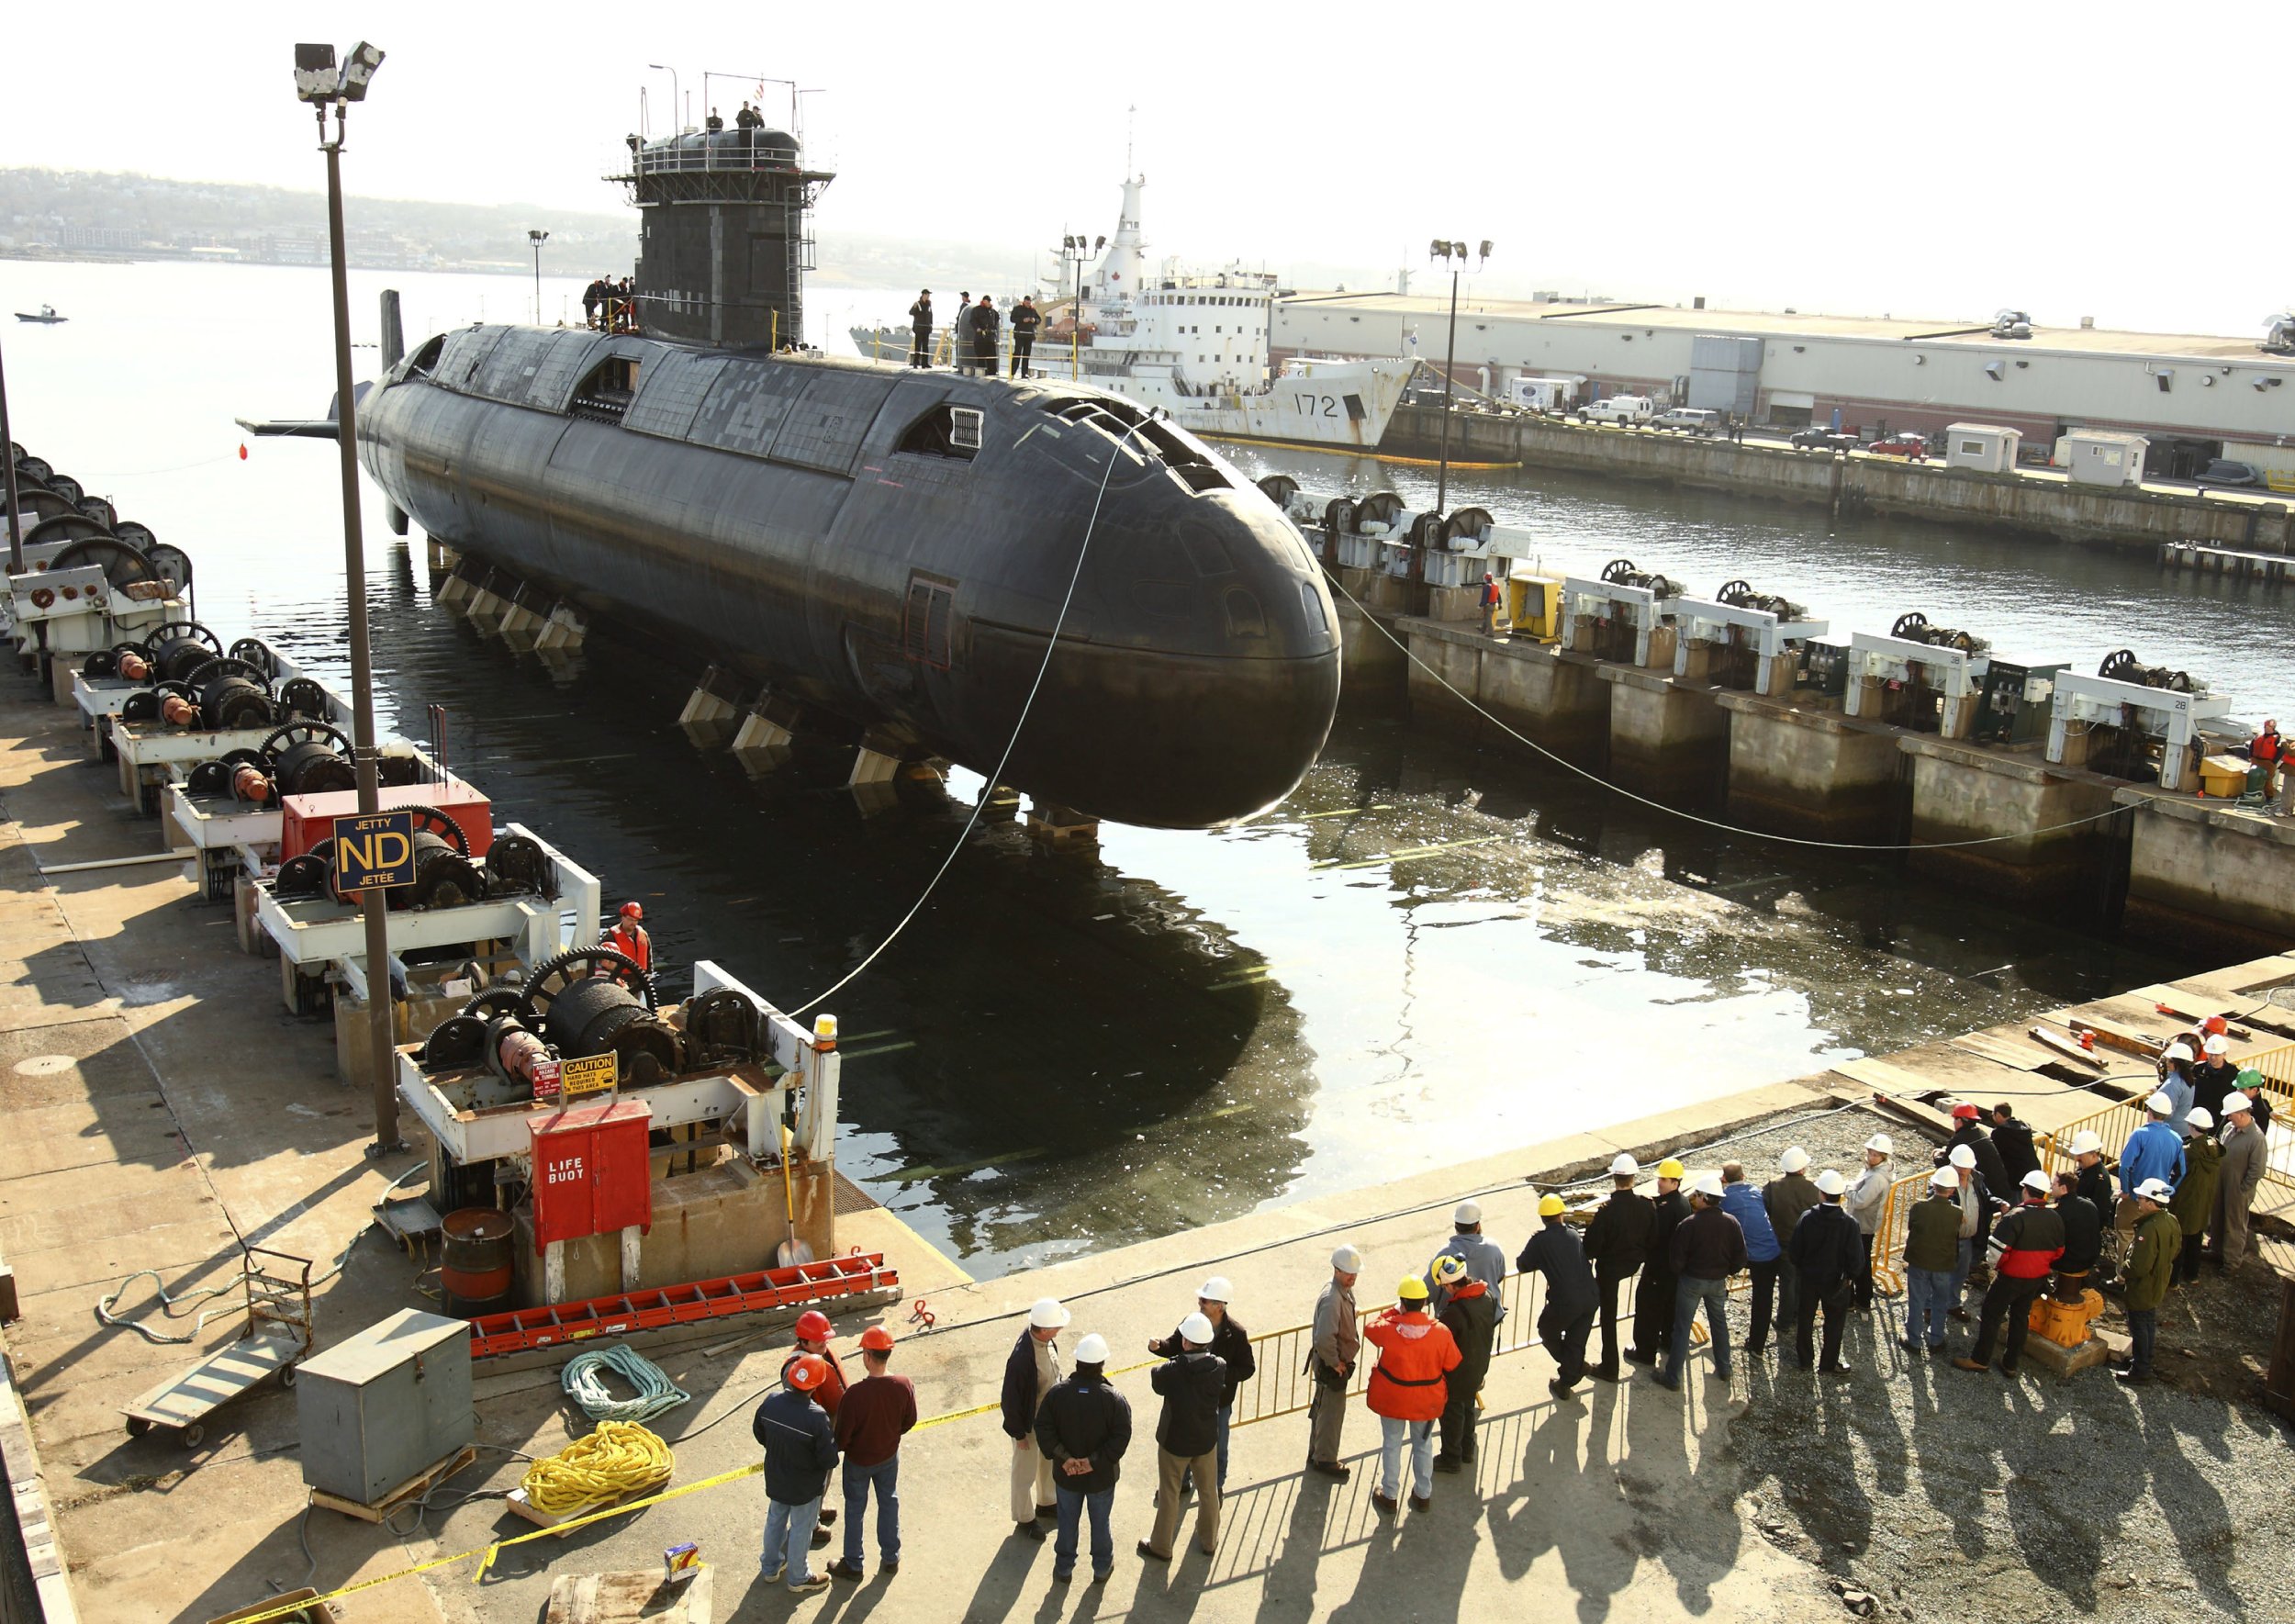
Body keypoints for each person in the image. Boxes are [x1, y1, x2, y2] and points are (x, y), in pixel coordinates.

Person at [1035, 1332, 1130, 1586]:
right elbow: (1121, 1437)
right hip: (1101, 1478)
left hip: (1067, 1478)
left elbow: (1043, 1428)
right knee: (1100, 1523)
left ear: (1077, 1362)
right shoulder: (1113, 1399)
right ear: (1102, 1364)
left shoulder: (1057, 1395)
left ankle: (1064, 1568)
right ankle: (1101, 1568)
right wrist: (1093, 1462)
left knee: (1067, 1522)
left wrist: (1066, 1459)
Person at [1362, 1275, 1460, 1514]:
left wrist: (1393, 1312)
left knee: (1392, 1444)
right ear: (1425, 1302)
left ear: (1403, 1303)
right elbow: (1453, 1363)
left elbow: (1370, 1328)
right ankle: (1423, 1494)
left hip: (1393, 1400)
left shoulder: (1391, 1329)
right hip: (1426, 1403)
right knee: (1423, 1445)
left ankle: (1390, 1493)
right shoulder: (1441, 1332)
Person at [1146, 1277, 1252, 1495]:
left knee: (1219, 1445)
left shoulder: (1236, 1333)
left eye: (1204, 1300)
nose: (1199, 1303)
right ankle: (1183, 1481)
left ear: (1219, 1306)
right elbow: (1174, 1344)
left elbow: (1247, 1368)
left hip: (1219, 1401)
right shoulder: (1192, 1322)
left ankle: (1216, 1485)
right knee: (1183, 1440)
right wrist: (1158, 1347)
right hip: (1188, 1397)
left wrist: (1219, 1377)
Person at [1954, 1170, 2064, 1377]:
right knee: (2020, 1317)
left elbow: (1995, 1252)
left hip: (2011, 1277)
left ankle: (1980, 1359)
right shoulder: (2055, 1218)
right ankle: (2011, 1363)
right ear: (2045, 1195)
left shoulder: (2015, 1217)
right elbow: (2059, 1251)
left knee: (1991, 1314)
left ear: (2025, 1190)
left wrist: (1998, 1267)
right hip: (2036, 1278)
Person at [1138, 1312, 1226, 1565]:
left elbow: (1158, 1381)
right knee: (1208, 1491)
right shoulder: (1219, 1366)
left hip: (1175, 1441)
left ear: (1186, 1342)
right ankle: (1209, 1541)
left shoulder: (1171, 1370)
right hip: (1205, 1440)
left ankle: (1161, 1546)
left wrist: (1174, 1359)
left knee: (1169, 1492)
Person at [828, 1327, 914, 1582]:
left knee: (855, 1509)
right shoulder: (903, 1384)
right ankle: (891, 1557)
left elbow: (842, 1437)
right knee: (889, 1501)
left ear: (867, 1356)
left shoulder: (854, 1395)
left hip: (858, 1461)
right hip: (888, 1457)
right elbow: (910, 1420)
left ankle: (853, 1564)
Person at [754, 1354, 839, 1596]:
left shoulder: (771, 1401)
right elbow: (829, 1459)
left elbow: (759, 1432)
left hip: (777, 1478)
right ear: (816, 1385)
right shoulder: (816, 1416)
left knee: (775, 1520)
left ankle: (770, 1568)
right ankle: (798, 1577)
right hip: (805, 1487)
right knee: (802, 1527)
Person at [1657, 1174, 1745, 1391]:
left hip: (1691, 1282)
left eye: (1697, 1195)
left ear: (1705, 1198)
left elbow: (1676, 1259)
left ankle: (1673, 1377)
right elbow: (1740, 1257)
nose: (1694, 1198)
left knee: (1682, 1328)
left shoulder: (1688, 1225)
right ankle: (1725, 1369)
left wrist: (1683, 1274)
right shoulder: (1731, 1222)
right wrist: (1727, 1271)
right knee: (1719, 1324)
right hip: (1717, 1282)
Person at [1581, 1153, 1657, 1382]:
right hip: (1633, 1263)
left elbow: (1591, 1248)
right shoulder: (1646, 1206)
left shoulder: (1606, 1211)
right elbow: (1653, 1238)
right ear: (1634, 1177)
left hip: (1609, 1270)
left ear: (1613, 1176)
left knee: (1608, 1317)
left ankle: (1610, 1367)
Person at [1517, 1193, 1597, 1398]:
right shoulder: (1572, 1234)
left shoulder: (1540, 1241)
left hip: (1565, 1302)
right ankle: (1569, 1375)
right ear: (1561, 1214)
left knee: (1547, 1330)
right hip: (1590, 1297)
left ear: (1543, 1218)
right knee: (1576, 1341)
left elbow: (1523, 1264)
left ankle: (1573, 1369)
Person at [1002, 1297, 1068, 1540]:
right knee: (1024, 1473)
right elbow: (1010, 1399)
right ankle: (1024, 1517)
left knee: (1047, 1462)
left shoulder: (1045, 1343)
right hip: (1028, 1425)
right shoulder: (1021, 1360)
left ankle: (1047, 1502)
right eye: (1057, 1326)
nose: (1060, 1329)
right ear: (1045, 1329)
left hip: (1046, 1420)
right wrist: (1019, 1434)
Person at [1786, 1170, 1860, 1374]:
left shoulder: (1808, 1218)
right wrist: (1849, 1277)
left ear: (1822, 1193)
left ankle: (1805, 1360)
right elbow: (1857, 1260)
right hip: (1837, 1282)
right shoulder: (1850, 1224)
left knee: (1805, 1319)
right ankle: (1828, 1364)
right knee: (1834, 1323)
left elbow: (1794, 1251)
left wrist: (1802, 1269)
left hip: (1809, 1279)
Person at [781, 1310, 846, 1541]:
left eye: (826, 1338)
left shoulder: (821, 1353)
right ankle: (811, 1526)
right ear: (804, 1341)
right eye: (820, 1341)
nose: (825, 1343)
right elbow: (799, 1410)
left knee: (823, 1480)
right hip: (812, 1439)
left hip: (827, 1432)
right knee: (812, 1484)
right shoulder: (794, 1369)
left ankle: (815, 1512)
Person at [1432, 1255, 1495, 1473]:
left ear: (1450, 1285)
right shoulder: (1486, 1296)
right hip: (1478, 1366)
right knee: (1468, 1407)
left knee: (1452, 1414)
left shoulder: (1453, 1313)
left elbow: (1441, 1342)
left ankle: (1451, 1458)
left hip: (1458, 1372)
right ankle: (1467, 1449)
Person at [1626, 1159, 1689, 1368]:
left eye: (1664, 1179)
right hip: (1674, 1270)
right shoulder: (1682, 1203)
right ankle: (1668, 1342)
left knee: (1648, 1309)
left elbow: (1653, 1237)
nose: (1659, 1183)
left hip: (1658, 1269)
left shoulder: (1665, 1209)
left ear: (1675, 1183)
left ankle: (1645, 1351)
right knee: (1669, 1308)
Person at [2117, 1179, 2179, 1385]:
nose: (2138, 1202)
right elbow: (2176, 1249)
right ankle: (2142, 1361)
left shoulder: (2149, 1229)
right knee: (2148, 1322)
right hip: (2158, 1281)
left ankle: (2140, 1369)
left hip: (2143, 1285)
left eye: (2142, 1199)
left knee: (2139, 1325)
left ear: (2152, 1202)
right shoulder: (2171, 1221)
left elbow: (2139, 1265)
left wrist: (2124, 1270)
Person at [1305, 1245, 1360, 1481]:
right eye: (1349, 1273)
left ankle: (1316, 1452)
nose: (1353, 1277)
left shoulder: (1341, 1291)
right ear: (1336, 1270)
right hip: (1332, 1365)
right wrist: (1335, 1362)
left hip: (1332, 1362)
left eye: (1355, 1273)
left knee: (1323, 1407)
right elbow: (1325, 1337)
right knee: (1330, 1413)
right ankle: (1325, 1458)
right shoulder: (1332, 1298)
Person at [1717, 1162, 1781, 1357]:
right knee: (1763, 1299)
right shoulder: (1754, 1190)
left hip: (1747, 1254)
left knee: (1717, 1269)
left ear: (1723, 1180)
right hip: (1771, 1252)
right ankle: (1757, 1346)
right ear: (1743, 1177)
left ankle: (1718, 1300)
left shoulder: (1725, 1199)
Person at [1763, 1148, 1820, 1364]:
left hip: (1782, 1242)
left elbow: (1765, 1210)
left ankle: (1785, 1319)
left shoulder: (1772, 1187)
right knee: (1802, 1280)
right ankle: (1798, 1314)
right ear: (1803, 1168)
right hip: (1807, 1244)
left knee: (1787, 1282)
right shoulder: (1814, 1188)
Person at [1901, 1168, 1963, 1354]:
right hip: (1943, 1264)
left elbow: (1912, 1227)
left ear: (1934, 1185)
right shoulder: (1957, 1213)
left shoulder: (1919, 1208)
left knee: (1917, 1300)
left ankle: (1914, 1341)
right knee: (1940, 1301)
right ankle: (1936, 1339)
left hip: (1919, 1261)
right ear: (1952, 1190)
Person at [2211, 1091, 2268, 1271]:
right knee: (2218, 1216)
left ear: (2242, 1114)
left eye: (2231, 1115)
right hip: (2222, 1183)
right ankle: (2216, 1251)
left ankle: (2231, 1261)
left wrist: (2242, 1189)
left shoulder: (2256, 1139)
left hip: (2238, 1188)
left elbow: (2257, 1170)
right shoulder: (2229, 1129)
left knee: (2234, 1224)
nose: (2228, 1118)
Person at [2117, 1092, 2187, 1231]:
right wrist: (2169, 1190)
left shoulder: (2139, 1135)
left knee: (2126, 1235)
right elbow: (2181, 1172)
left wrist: (2125, 1190)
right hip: (2158, 1201)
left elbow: (2125, 1166)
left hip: (2135, 1197)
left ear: (2149, 1111)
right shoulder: (2177, 1139)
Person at [2168, 1107, 2221, 1285]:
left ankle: (2173, 1280)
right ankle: (2192, 1275)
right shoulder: (2215, 1148)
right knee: (2196, 1238)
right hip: (2203, 1202)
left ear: (2191, 1126)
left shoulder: (2188, 1151)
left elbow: (2177, 1175)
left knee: (2179, 1241)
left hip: (2185, 1202)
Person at [1426, 1201, 1509, 1307]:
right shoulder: (1494, 1248)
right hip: (1488, 1317)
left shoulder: (1444, 1255)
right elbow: (1500, 1276)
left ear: (1456, 1226)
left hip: (1454, 1320)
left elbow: (1427, 1292)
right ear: (1478, 1226)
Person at [1845, 1134, 1893, 1309]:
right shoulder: (1874, 1171)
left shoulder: (1876, 1178)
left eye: (1876, 1155)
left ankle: (1857, 1299)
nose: (1871, 1157)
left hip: (1863, 1224)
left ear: (1883, 1157)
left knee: (1858, 1263)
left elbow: (1859, 1201)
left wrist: (1847, 1189)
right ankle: (1862, 1298)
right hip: (1864, 1223)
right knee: (1862, 1262)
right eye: (1871, 1153)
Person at [2049, 1170, 2101, 1304]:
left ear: (2063, 1188)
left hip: (2068, 1262)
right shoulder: (2089, 1205)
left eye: (2053, 1184)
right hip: (2090, 1260)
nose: (2051, 1187)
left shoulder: (2059, 1212)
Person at [2190, 1036, 2241, 1124]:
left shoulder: (2234, 1074)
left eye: (2217, 1054)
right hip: (2198, 1120)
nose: (2213, 1057)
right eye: (2210, 1054)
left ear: (2224, 1054)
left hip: (2220, 1121)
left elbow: (2249, 1092)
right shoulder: (2197, 1069)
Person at [1989, 1105, 2040, 1185]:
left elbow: (1994, 1156)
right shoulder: (2024, 1129)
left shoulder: (1999, 1133)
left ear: (1998, 1115)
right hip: (2032, 1173)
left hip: (2015, 1178)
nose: (1992, 1116)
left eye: (1993, 1114)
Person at [2157, 1043, 2199, 1138]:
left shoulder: (2173, 1084)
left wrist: (2156, 1095)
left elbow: (2166, 1112)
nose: (2167, 1063)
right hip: (2183, 1130)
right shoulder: (2189, 1079)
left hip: (2170, 1131)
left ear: (2179, 1063)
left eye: (2171, 1061)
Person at [603, 900, 652, 973]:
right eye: (630, 919)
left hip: (641, 978)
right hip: (618, 979)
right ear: (623, 917)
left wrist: (648, 978)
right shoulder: (610, 936)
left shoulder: (643, 935)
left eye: (636, 920)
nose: (633, 923)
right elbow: (603, 963)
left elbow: (649, 961)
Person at [2248, 717, 2282, 804]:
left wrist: (2273, 761)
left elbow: (2281, 751)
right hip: (2256, 760)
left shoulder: (2277, 738)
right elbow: (2251, 746)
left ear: (2273, 728)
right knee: (2253, 776)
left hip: (2268, 762)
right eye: (2265, 727)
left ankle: (2269, 797)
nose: (2266, 728)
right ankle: (2252, 794)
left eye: (2268, 727)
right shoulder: (2258, 736)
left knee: (2267, 780)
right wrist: (2250, 756)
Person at [1010, 295, 1040, 377]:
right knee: (1017, 353)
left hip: (1029, 335)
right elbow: (1012, 319)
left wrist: (1034, 320)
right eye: (1027, 303)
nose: (1028, 304)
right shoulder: (1017, 309)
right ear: (1024, 301)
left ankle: (1024, 373)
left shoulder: (1033, 310)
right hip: (1020, 334)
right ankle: (1012, 372)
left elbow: (1039, 320)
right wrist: (1022, 320)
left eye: (1029, 303)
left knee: (1026, 355)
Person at [970, 294, 1001, 376]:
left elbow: (996, 319)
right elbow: (973, 320)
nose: (988, 303)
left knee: (992, 355)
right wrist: (977, 328)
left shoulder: (993, 312)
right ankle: (981, 371)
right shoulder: (977, 310)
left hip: (990, 337)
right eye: (987, 301)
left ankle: (992, 372)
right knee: (981, 355)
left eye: (989, 301)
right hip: (981, 337)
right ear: (984, 301)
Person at [907, 290, 935, 369]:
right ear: (923, 295)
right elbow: (911, 313)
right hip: (919, 329)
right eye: (927, 294)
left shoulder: (929, 304)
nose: (928, 296)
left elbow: (930, 315)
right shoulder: (918, 303)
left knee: (925, 346)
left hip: (926, 328)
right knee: (918, 346)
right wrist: (914, 307)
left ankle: (925, 363)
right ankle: (916, 363)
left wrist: (931, 325)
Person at [1480, 572, 1502, 636]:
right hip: (1494, 605)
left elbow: (1484, 597)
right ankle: (1483, 630)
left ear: (1486, 579)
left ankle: (1491, 633)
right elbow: (1498, 596)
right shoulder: (1495, 586)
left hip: (1488, 605)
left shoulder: (1486, 587)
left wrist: (1480, 605)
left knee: (1488, 620)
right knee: (1487, 617)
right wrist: (1500, 604)